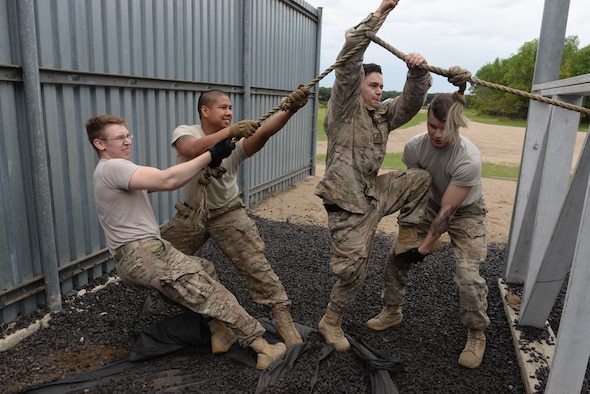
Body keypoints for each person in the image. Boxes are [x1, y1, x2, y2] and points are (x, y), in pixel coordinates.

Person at [86, 114, 287, 370]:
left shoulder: (108, 172)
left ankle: (220, 332)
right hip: (146, 255)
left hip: (136, 257)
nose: (127, 142)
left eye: (128, 136)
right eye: (119, 138)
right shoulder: (114, 167)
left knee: (204, 270)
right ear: (100, 144)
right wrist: (210, 155)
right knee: (213, 293)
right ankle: (262, 347)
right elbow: (167, 180)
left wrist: (203, 162)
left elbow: (164, 180)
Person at [314, 0, 433, 352]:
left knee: (419, 179)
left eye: (382, 86)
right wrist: (380, 13)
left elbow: (410, 104)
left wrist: (416, 74)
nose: (380, 90)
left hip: (373, 193)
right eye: (374, 85)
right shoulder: (344, 109)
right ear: (358, 88)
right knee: (353, 271)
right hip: (346, 204)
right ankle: (331, 320)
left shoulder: (380, 115)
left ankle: (408, 235)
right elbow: (350, 56)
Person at [160, 86, 311, 348]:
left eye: (231, 108)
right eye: (223, 107)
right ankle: (215, 322)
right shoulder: (186, 132)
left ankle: (282, 318)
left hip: (227, 213)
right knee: (161, 267)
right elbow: (192, 149)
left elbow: (263, 133)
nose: (229, 112)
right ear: (204, 111)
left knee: (257, 267)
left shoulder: (236, 143)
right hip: (191, 214)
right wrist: (231, 132)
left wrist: (291, 109)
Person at [368, 93, 490, 369]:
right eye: (431, 126)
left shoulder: (468, 158)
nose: (436, 133)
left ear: (456, 125)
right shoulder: (415, 148)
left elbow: (449, 210)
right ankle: (392, 311)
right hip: (431, 205)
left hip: (465, 213)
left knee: (467, 277)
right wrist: (412, 234)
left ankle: (476, 333)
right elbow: (417, 189)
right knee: (397, 255)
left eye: (443, 128)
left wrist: (424, 248)